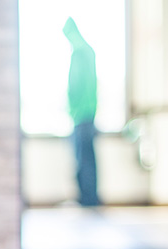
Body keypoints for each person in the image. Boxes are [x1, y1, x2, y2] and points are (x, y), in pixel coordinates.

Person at [63, 17, 100, 207]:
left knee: (82, 160)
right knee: (89, 159)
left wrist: (71, 108)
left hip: (80, 116)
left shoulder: (78, 53)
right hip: (90, 114)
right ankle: (90, 199)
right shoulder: (89, 52)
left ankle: (87, 200)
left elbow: (75, 86)